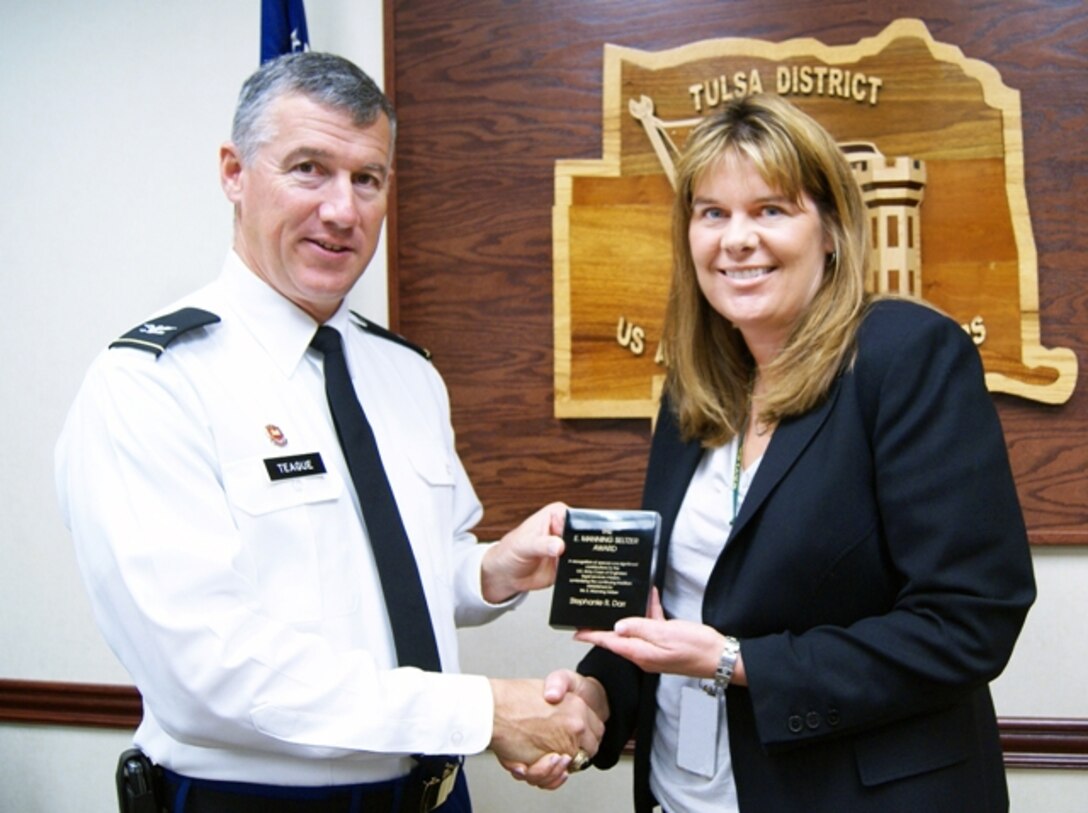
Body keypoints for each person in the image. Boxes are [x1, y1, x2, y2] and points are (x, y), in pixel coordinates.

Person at [55, 51, 601, 812]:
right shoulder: (152, 386)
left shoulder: (405, 373)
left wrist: (490, 572)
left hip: (438, 794)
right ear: (233, 172)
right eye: (309, 168)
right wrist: (482, 711)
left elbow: (393, 579)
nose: (343, 211)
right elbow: (208, 672)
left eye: (367, 178)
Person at [520, 94, 1037, 811]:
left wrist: (739, 662)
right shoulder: (691, 393)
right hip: (685, 794)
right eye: (713, 213)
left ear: (830, 228)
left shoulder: (904, 357)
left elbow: (969, 621)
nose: (737, 239)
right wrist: (596, 693)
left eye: (770, 210)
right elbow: (682, 611)